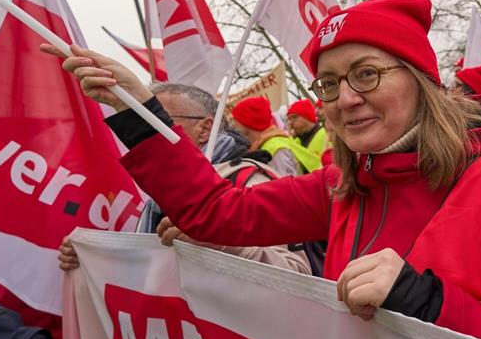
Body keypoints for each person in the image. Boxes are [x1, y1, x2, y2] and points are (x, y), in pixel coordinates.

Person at [45, 0, 481, 339]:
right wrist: (138, 109)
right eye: (329, 84)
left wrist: (428, 304)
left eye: (366, 73)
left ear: (421, 81)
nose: (346, 98)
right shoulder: (339, 187)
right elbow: (218, 212)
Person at [57, 82, 312, 275]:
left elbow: (296, 272)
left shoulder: (249, 181)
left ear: (205, 128)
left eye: (158, 119)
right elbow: (152, 265)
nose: (144, 131)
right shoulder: (161, 189)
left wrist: (218, 241)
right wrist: (93, 256)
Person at [230, 95, 306, 176]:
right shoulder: (266, 144)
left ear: (247, 120)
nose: (233, 124)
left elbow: (286, 182)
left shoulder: (275, 148)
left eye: (235, 119)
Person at [287, 98, 327, 172]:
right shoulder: (295, 141)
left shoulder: (325, 135)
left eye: (294, 117)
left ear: (306, 117)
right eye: (289, 119)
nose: (290, 122)